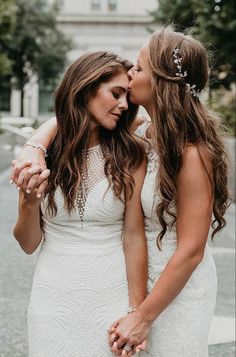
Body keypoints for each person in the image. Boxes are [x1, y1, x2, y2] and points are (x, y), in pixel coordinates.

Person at [11, 27, 229, 357]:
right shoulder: (144, 131)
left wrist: (141, 315)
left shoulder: (190, 152)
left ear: (161, 82)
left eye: (138, 69)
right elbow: (71, 116)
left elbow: (190, 249)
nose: (130, 74)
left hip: (177, 282)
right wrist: (34, 147)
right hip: (136, 276)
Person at [12, 51, 148, 357]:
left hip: (110, 297)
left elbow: (134, 236)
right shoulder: (42, 156)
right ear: (87, 89)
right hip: (52, 299)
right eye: (115, 94)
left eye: (127, 96)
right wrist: (30, 204)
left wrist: (136, 311)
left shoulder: (131, 154)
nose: (124, 105)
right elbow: (28, 243)